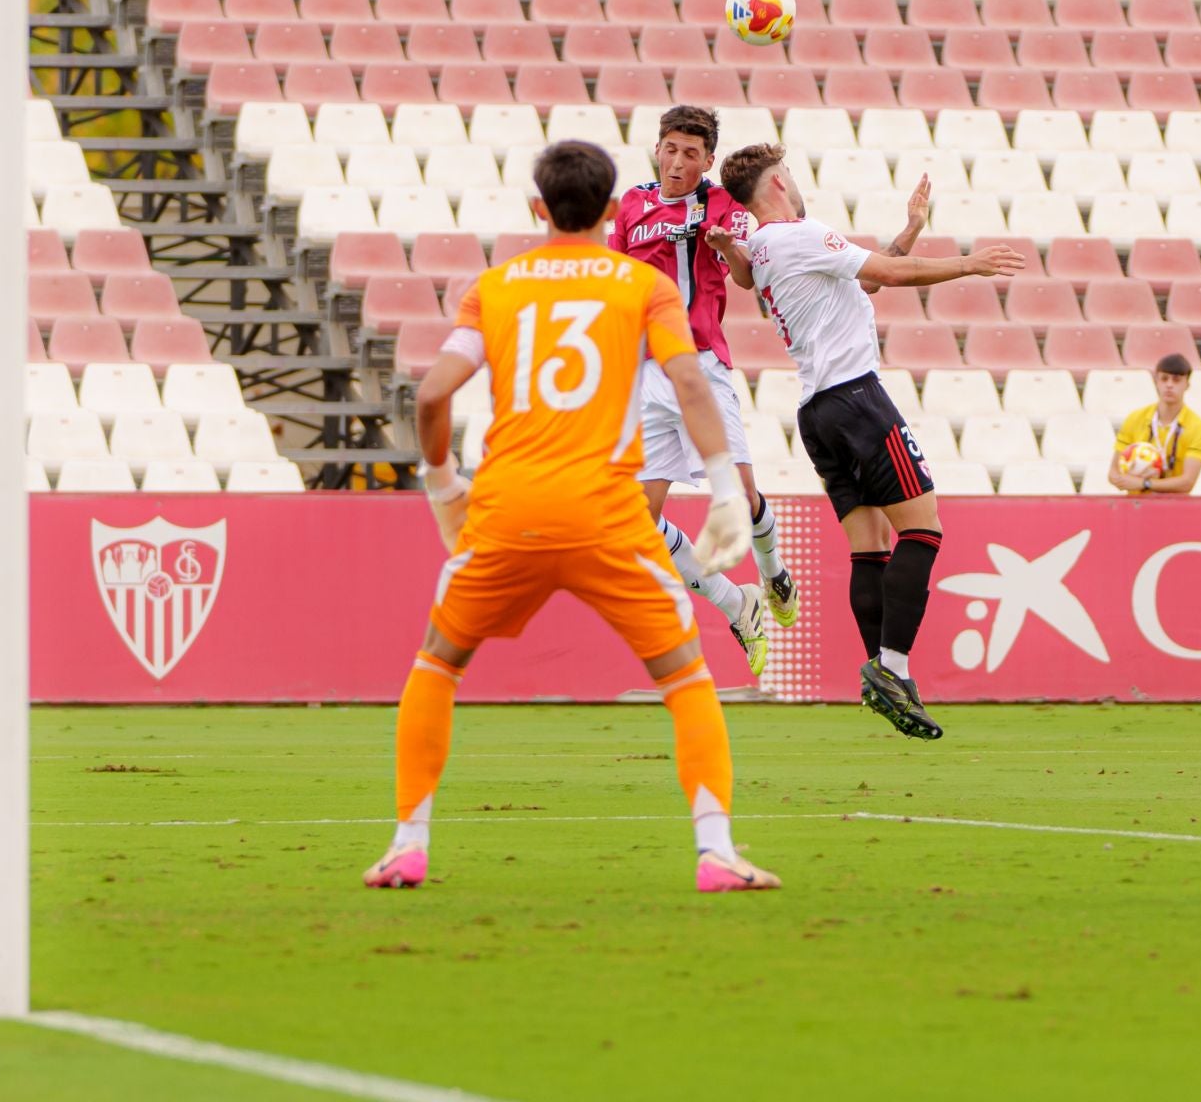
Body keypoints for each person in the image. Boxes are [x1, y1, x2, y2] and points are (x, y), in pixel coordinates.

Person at [364, 141, 779, 895]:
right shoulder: (640, 287)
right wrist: (722, 487)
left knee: (437, 664)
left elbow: (431, 397)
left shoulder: (495, 288)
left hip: (507, 510)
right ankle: (715, 851)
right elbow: (689, 381)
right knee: (686, 678)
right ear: (615, 211)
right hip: (606, 517)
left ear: (537, 208)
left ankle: (406, 845)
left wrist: (441, 489)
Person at [711, 143, 1025, 741]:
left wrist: (909, 229)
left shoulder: (767, 249)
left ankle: (883, 674)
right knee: (923, 530)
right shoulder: (799, 233)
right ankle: (893, 670)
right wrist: (970, 262)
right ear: (778, 183)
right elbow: (890, 275)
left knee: (870, 547)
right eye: (791, 174)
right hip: (857, 399)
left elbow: (864, 281)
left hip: (817, 413)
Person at [608, 104, 796, 680]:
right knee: (639, 517)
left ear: (708, 160)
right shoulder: (632, 206)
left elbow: (745, 279)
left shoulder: (722, 206)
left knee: (739, 492)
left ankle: (773, 573)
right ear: (657, 149)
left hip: (702, 365)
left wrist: (726, 248)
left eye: (692, 153)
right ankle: (735, 604)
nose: (678, 161)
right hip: (647, 374)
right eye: (670, 148)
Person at [1106, 353, 1201, 496]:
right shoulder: (1135, 418)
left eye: (1176, 380)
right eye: (1164, 379)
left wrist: (1145, 483)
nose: (1169, 385)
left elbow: (1188, 482)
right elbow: (1113, 472)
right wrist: (1124, 480)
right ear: (1156, 381)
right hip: (1136, 505)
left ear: (1187, 384)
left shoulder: (1198, 426)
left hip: (1175, 508)